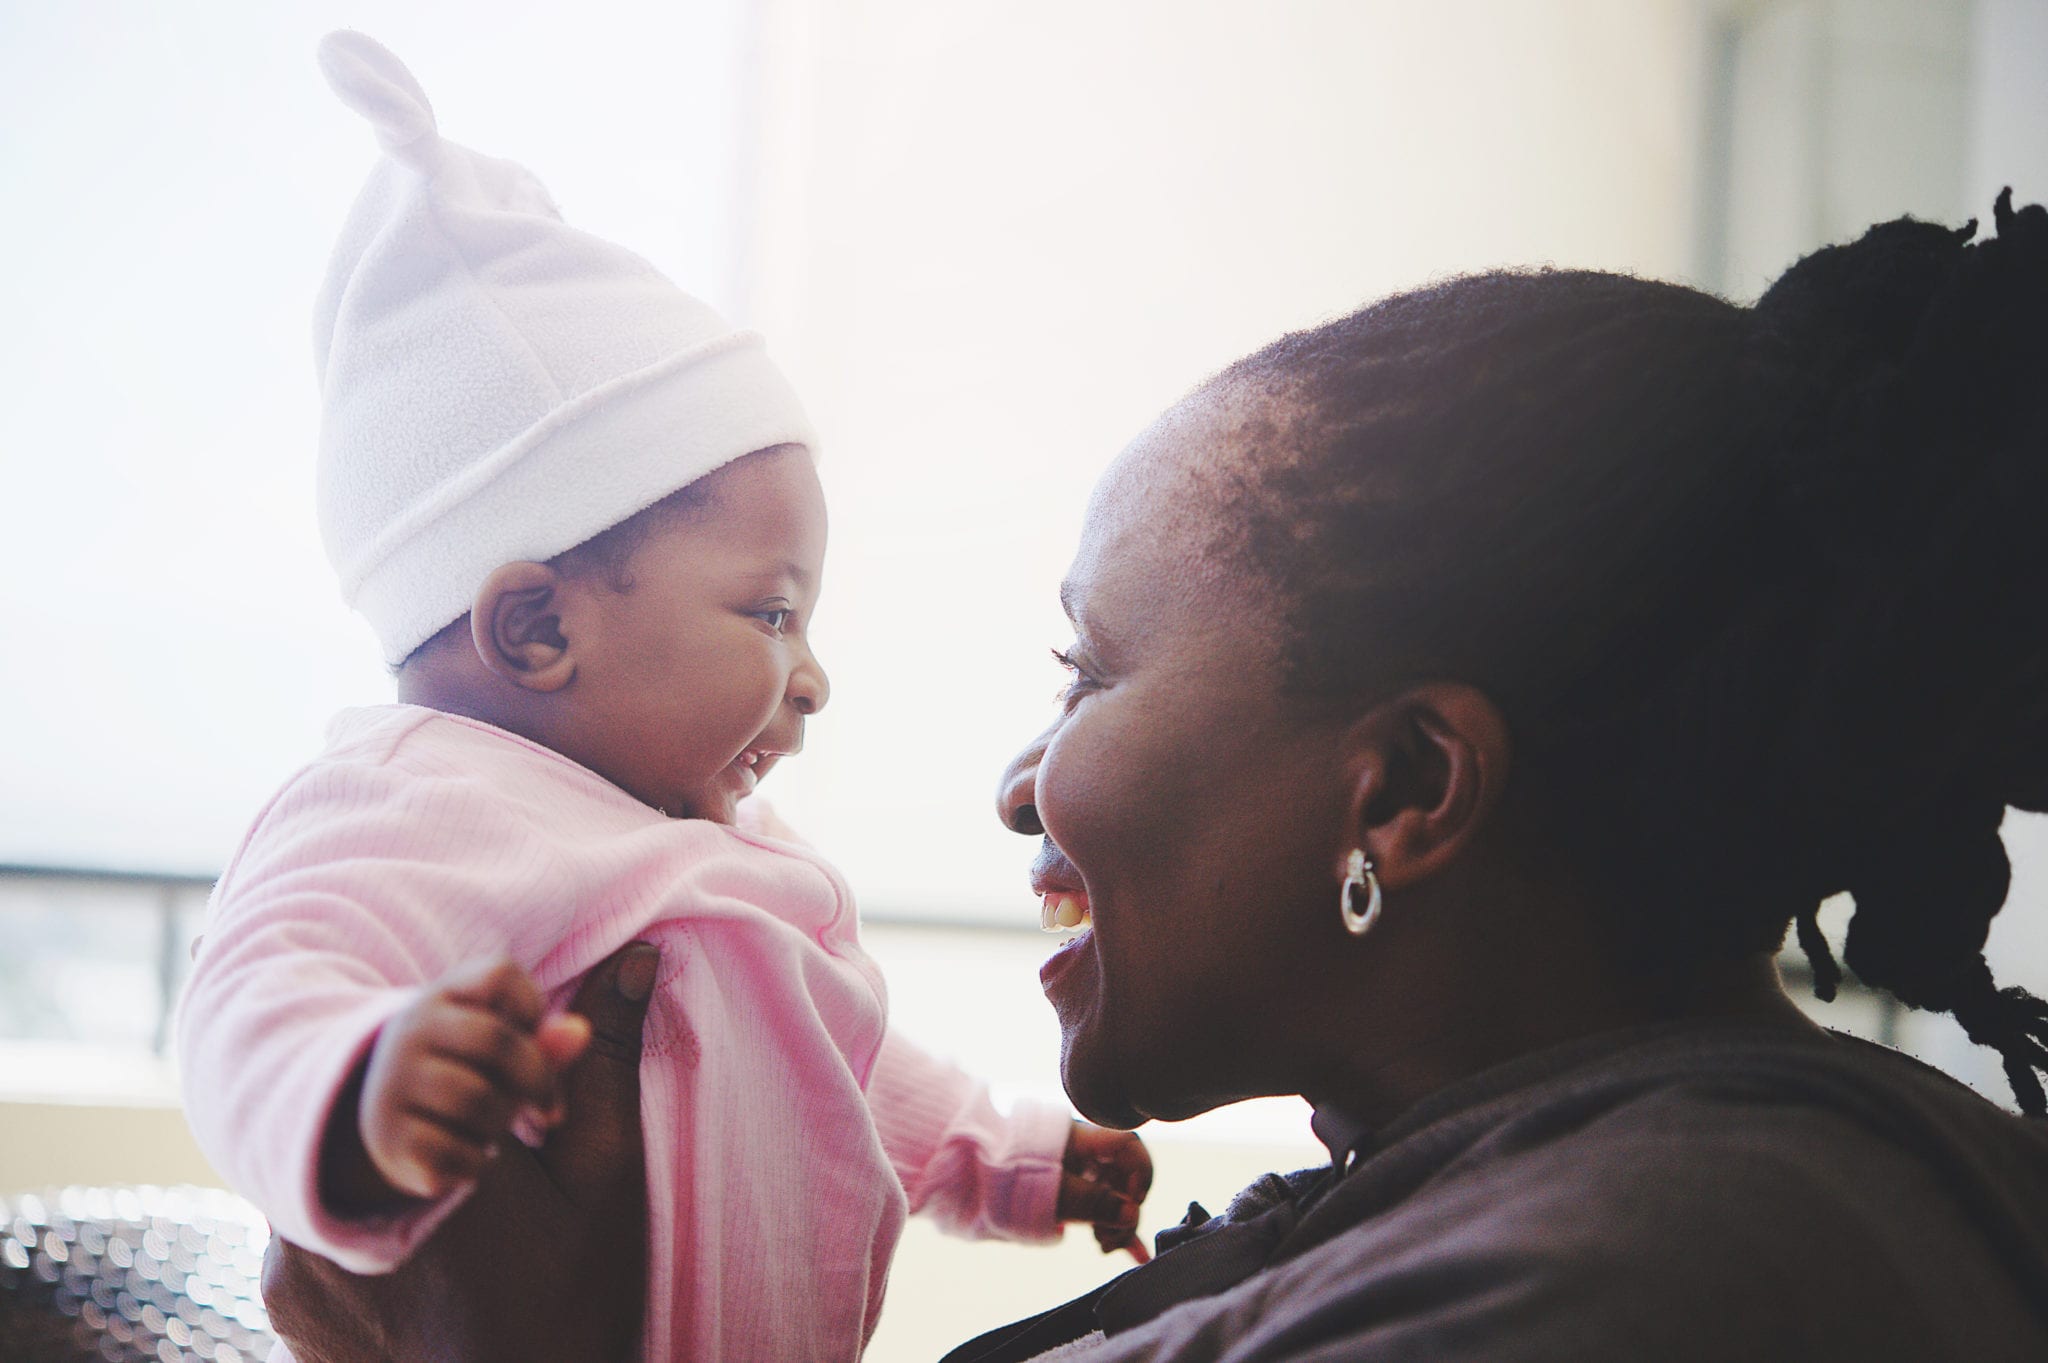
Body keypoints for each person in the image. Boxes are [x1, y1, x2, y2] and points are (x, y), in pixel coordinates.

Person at [262, 193, 2048, 1360]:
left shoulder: (1640, 1289)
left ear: (1406, 791)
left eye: (1091, 672)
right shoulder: (1545, 1192)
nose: (1018, 789)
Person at [179, 31, 1149, 1363]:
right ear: (534, 627)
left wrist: (1013, 1159)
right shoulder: (412, 806)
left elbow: (850, 1067)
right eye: (769, 611)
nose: (810, 677)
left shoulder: (724, 857)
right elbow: (252, 995)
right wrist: (357, 1097)